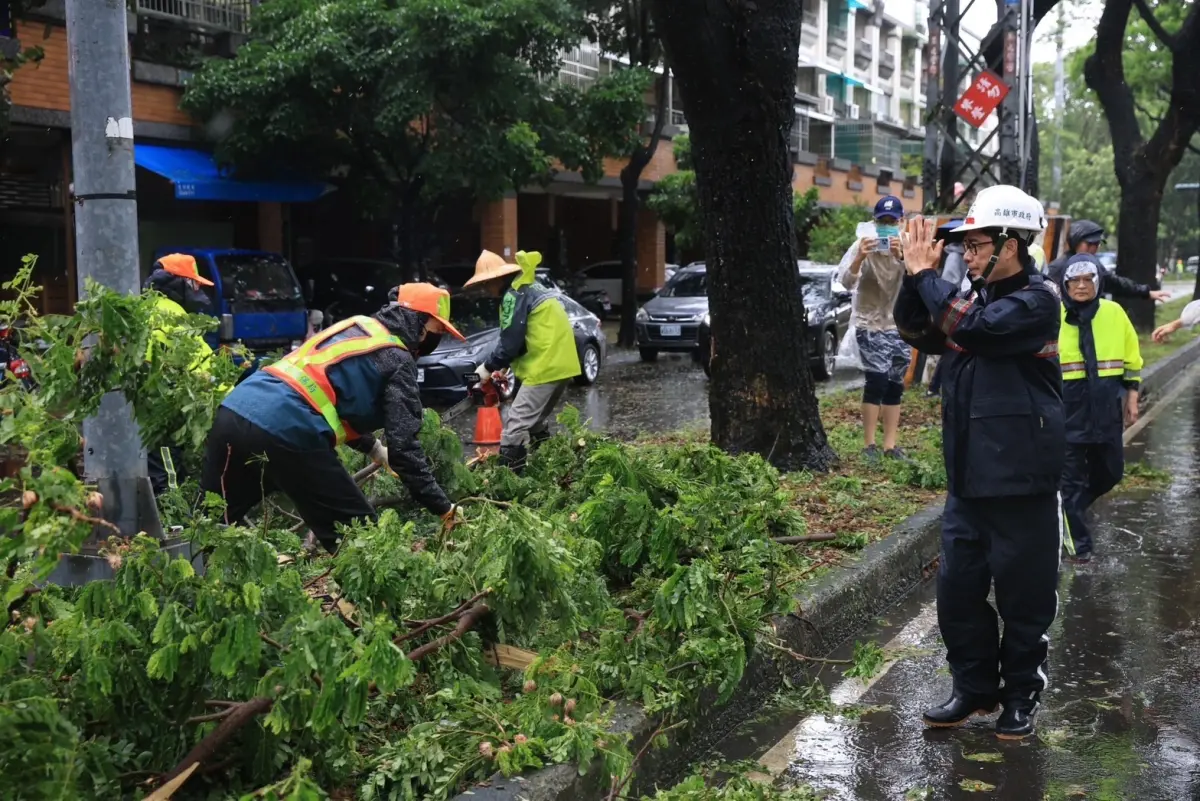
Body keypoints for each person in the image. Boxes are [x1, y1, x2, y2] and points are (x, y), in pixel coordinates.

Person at [893, 185, 1065, 741]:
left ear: (1010, 245)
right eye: (961, 248)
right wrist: (909, 272)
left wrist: (927, 277)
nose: (965, 256)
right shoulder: (974, 300)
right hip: (968, 480)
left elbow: (971, 329)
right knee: (957, 593)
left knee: (1024, 598)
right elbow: (918, 330)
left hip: (1021, 482)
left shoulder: (1036, 301)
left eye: (975, 245)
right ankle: (974, 689)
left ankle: (1019, 698)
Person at [198, 283, 464, 551]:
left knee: (208, 525)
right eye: (437, 330)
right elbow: (405, 450)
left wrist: (373, 447)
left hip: (236, 408)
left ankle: (190, 585)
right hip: (289, 428)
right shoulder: (398, 359)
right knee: (360, 540)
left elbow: (323, 392)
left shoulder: (356, 327)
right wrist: (443, 508)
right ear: (417, 322)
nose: (436, 338)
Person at [1058, 254, 1142, 564]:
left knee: (1111, 472)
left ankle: (1068, 509)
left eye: (1087, 279)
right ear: (1065, 284)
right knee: (1070, 480)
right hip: (1067, 407)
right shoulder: (1053, 315)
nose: (1081, 286)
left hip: (1105, 406)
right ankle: (1079, 548)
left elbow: (1132, 357)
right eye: (1074, 281)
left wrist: (1132, 394)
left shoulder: (1113, 313)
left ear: (1098, 282)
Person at [464, 249, 580, 471]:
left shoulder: (513, 295)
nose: (486, 290)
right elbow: (528, 336)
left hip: (544, 365)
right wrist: (504, 366)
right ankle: (549, 466)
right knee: (534, 421)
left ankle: (509, 482)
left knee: (515, 424)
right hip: (562, 363)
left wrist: (486, 369)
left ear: (498, 278)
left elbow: (510, 341)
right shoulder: (530, 287)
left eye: (486, 284)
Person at [837, 196, 912, 461]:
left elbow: (919, 279)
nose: (888, 226)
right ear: (874, 222)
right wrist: (859, 257)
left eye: (893, 221)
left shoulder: (908, 247)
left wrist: (900, 256)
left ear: (902, 222)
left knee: (894, 384)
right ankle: (869, 444)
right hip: (869, 324)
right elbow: (846, 282)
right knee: (877, 380)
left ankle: (890, 446)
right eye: (883, 221)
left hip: (899, 324)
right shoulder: (863, 246)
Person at [143, 254, 220, 495]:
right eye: (194, 283)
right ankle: (173, 525)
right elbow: (196, 367)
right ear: (181, 284)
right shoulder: (171, 316)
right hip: (163, 410)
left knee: (166, 467)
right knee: (167, 477)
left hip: (159, 407)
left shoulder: (155, 309)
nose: (198, 290)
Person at [1046, 220, 1171, 303]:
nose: (1093, 248)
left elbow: (1115, 283)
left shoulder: (1095, 267)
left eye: (1096, 244)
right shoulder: (1057, 269)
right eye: (1089, 243)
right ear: (1075, 242)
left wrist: (1145, 292)